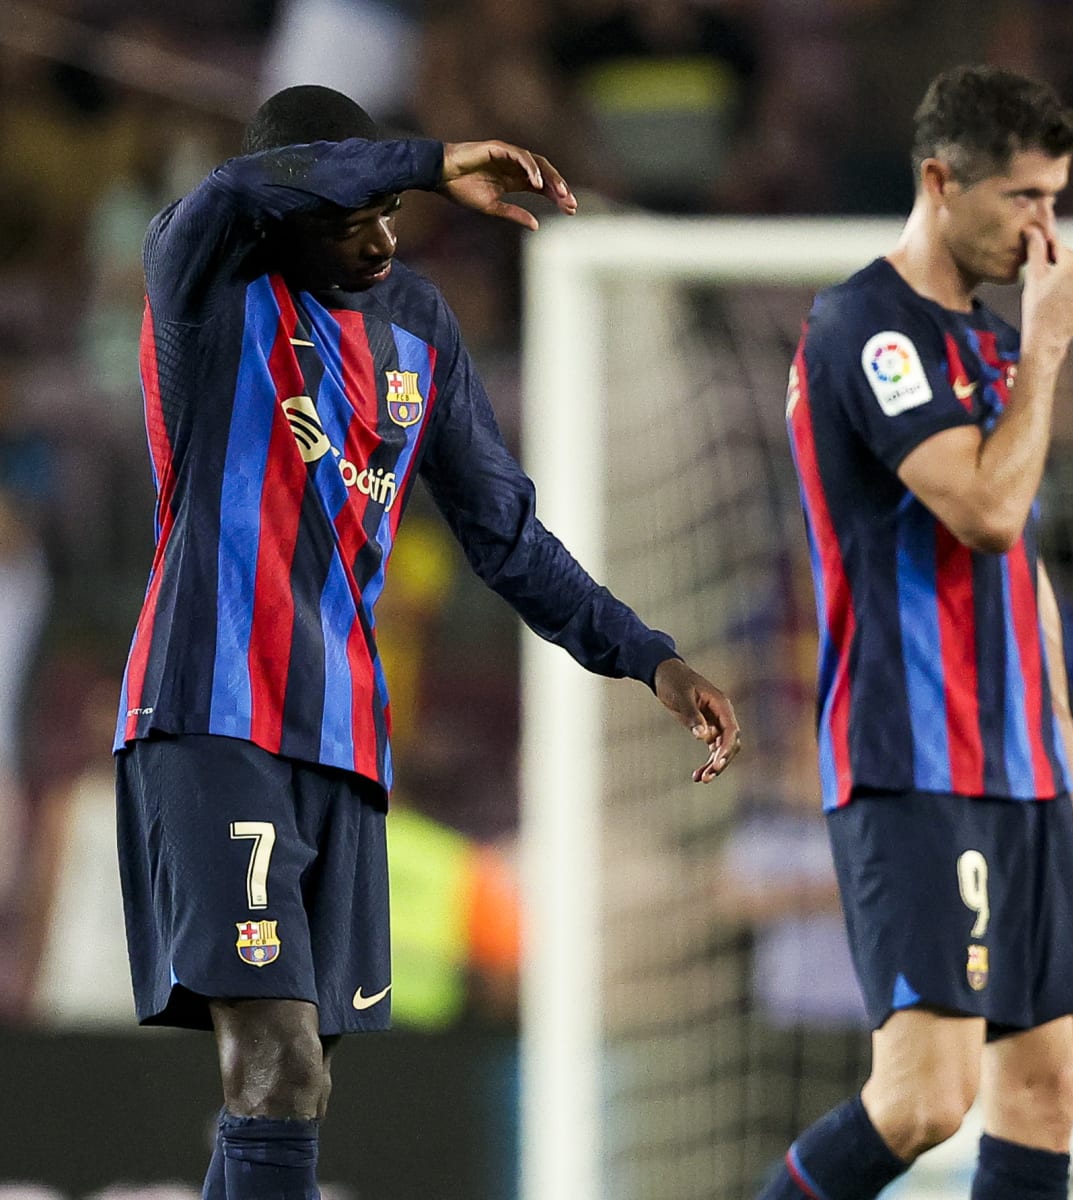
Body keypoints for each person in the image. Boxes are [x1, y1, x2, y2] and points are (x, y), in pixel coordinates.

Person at [112, 85, 740, 1199]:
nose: (383, 235)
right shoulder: (206, 277)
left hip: (344, 742)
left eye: (392, 211)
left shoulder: (418, 327)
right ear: (294, 207)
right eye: (356, 212)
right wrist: (433, 154)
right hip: (210, 719)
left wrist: (648, 654)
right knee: (277, 1064)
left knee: (290, 1084)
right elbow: (238, 185)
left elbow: (505, 535)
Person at [769, 65, 1073, 1200]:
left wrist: (1066, 767)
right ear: (940, 179)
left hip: (1019, 765)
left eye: (1057, 199)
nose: (1045, 232)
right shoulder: (866, 325)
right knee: (927, 1099)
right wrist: (1053, 348)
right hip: (914, 757)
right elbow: (985, 510)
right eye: (1024, 198)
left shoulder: (984, 346)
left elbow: (1026, 575)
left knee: (1045, 1090)